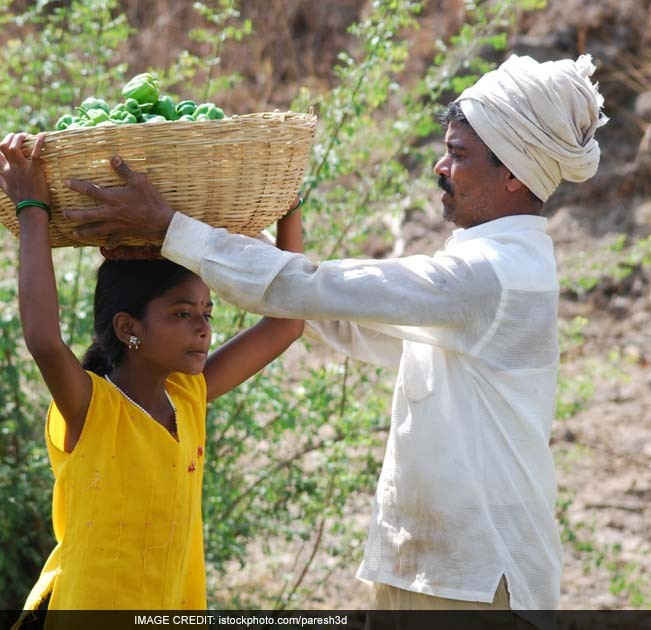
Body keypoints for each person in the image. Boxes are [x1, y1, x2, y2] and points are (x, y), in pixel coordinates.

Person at [61, 54, 608, 611]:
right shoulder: (480, 266)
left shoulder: (492, 276)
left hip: (478, 577)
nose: (441, 167)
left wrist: (176, 230)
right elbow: (337, 318)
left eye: (458, 155)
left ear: (514, 173)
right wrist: (212, 235)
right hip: (432, 570)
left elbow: (311, 291)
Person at [0, 132, 305, 617]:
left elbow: (287, 322)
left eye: (206, 313)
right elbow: (45, 341)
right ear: (128, 328)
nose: (202, 329)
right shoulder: (92, 407)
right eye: (182, 314)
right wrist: (33, 209)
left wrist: (288, 205)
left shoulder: (186, 396)